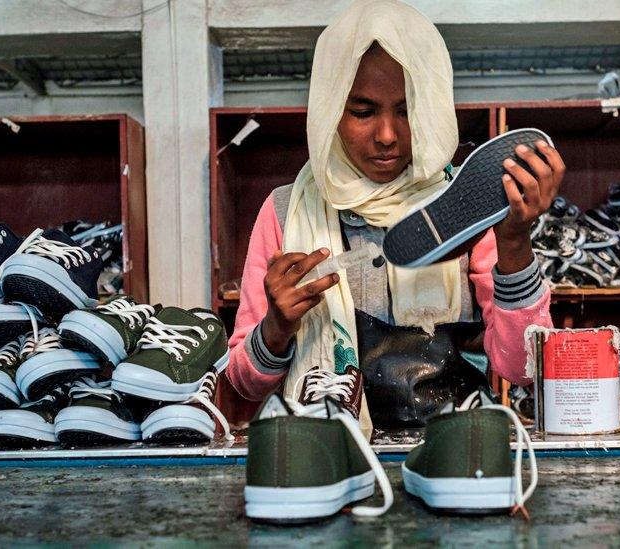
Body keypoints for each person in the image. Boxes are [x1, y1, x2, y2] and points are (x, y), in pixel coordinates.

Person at [224, 0, 562, 432]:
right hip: (332, 454)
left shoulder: (464, 205)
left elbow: (524, 368)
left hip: (453, 451)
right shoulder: (285, 211)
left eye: (406, 111)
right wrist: (275, 327)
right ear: (329, 109)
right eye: (362, 112)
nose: (386, 136)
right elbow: (244, 383)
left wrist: (515, 243)